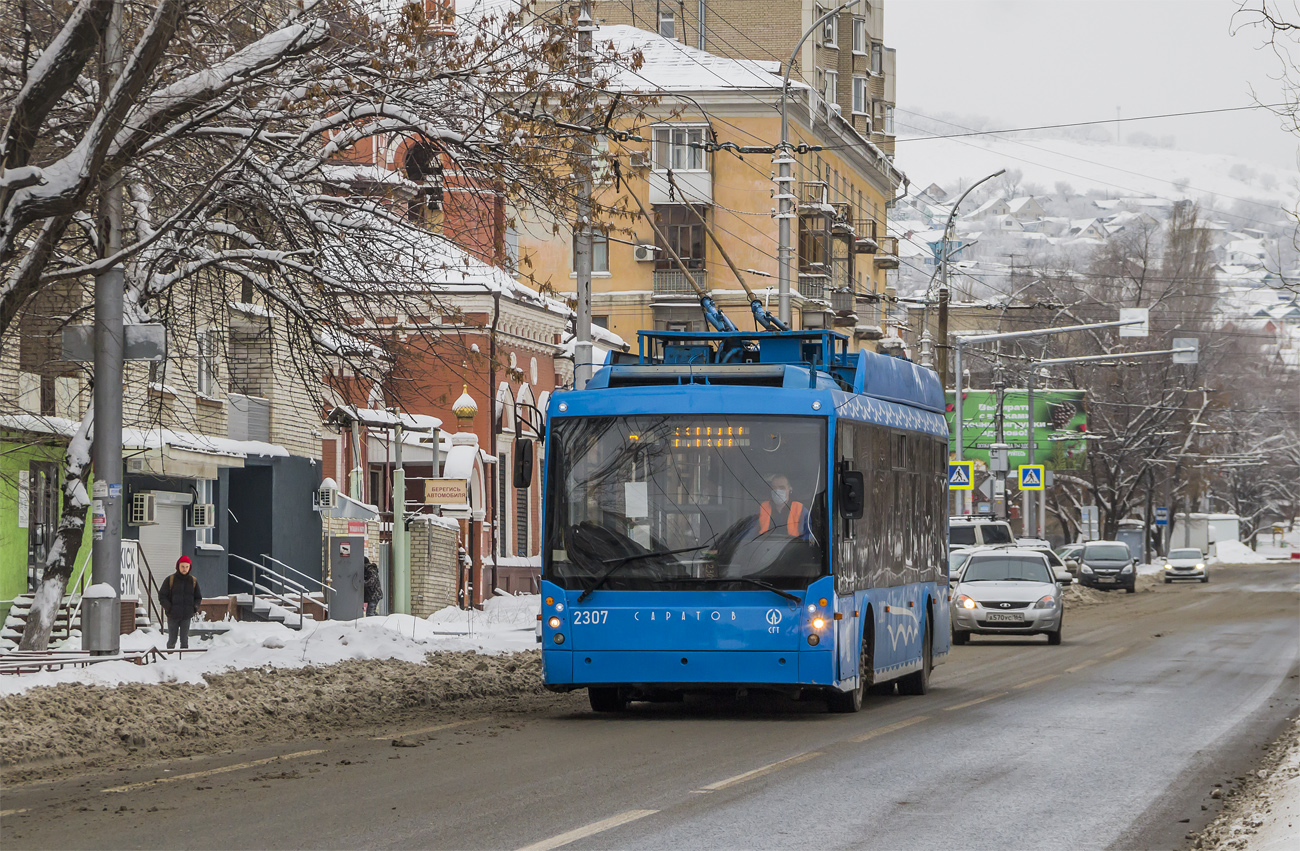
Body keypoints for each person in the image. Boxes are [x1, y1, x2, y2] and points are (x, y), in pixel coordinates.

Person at [159, 555, 203, 650]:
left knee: (184, 640)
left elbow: (198, 597)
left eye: (187, 567)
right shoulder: (170, 580)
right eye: (182, 566)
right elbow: (162, 596)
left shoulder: (193, 581)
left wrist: (194, 608)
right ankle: (170, 658)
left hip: (186, 615)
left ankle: (183, 661)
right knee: (172, 639)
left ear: (189, 567)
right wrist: (169, 607)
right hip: (172, 615)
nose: (184, 569)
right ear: (178, 566)